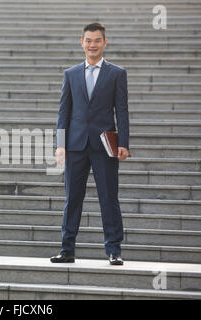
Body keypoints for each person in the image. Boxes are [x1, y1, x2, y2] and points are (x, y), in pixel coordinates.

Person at [51, 22, 130, 265]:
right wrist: (60, 144)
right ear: (81, 42)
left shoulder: (117, 73)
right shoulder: (70, 74)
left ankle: (114, 250)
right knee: (72, 198)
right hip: (75, 145)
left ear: (105, 43)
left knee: (109, 197)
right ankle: (67, 249)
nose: (92, 45)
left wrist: (124, 143)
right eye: (88, 40)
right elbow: (63, 112)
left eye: (97, 40)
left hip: (105, 144)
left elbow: (122, 111)